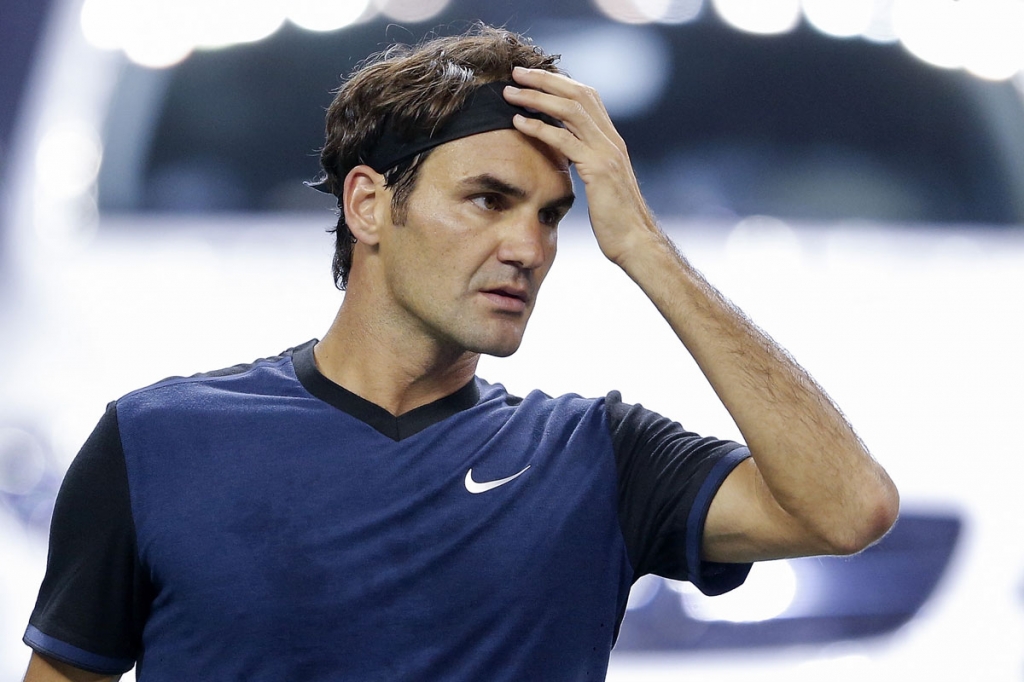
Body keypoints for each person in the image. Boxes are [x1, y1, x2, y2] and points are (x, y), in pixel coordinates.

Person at [21, 24, 899, 682]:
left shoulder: (597, 457)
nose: (530, 246)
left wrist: (644, 246)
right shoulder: (156, 442)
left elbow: (847, 508)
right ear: (367, 205)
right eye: (488, 199)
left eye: (552, 216)